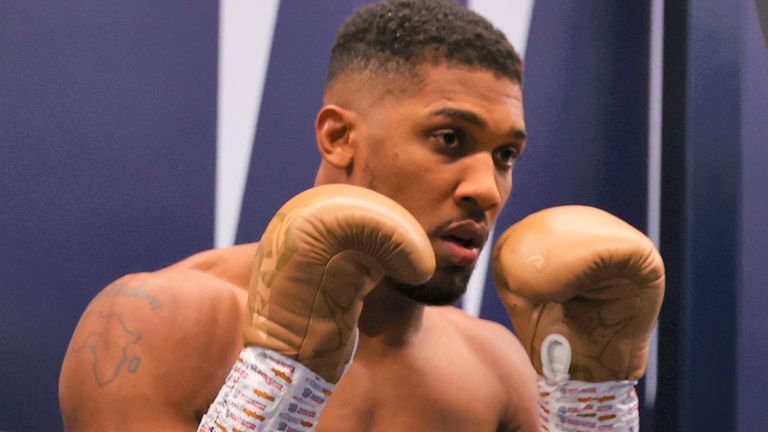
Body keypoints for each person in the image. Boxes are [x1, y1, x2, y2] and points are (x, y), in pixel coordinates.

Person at [59, 1, 663, 431]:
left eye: (505, 156)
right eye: (449, 139)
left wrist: (593, 407)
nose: (487, 189)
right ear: (339, 136)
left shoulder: (496, 367)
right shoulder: (159, 326)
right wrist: (275, 380)